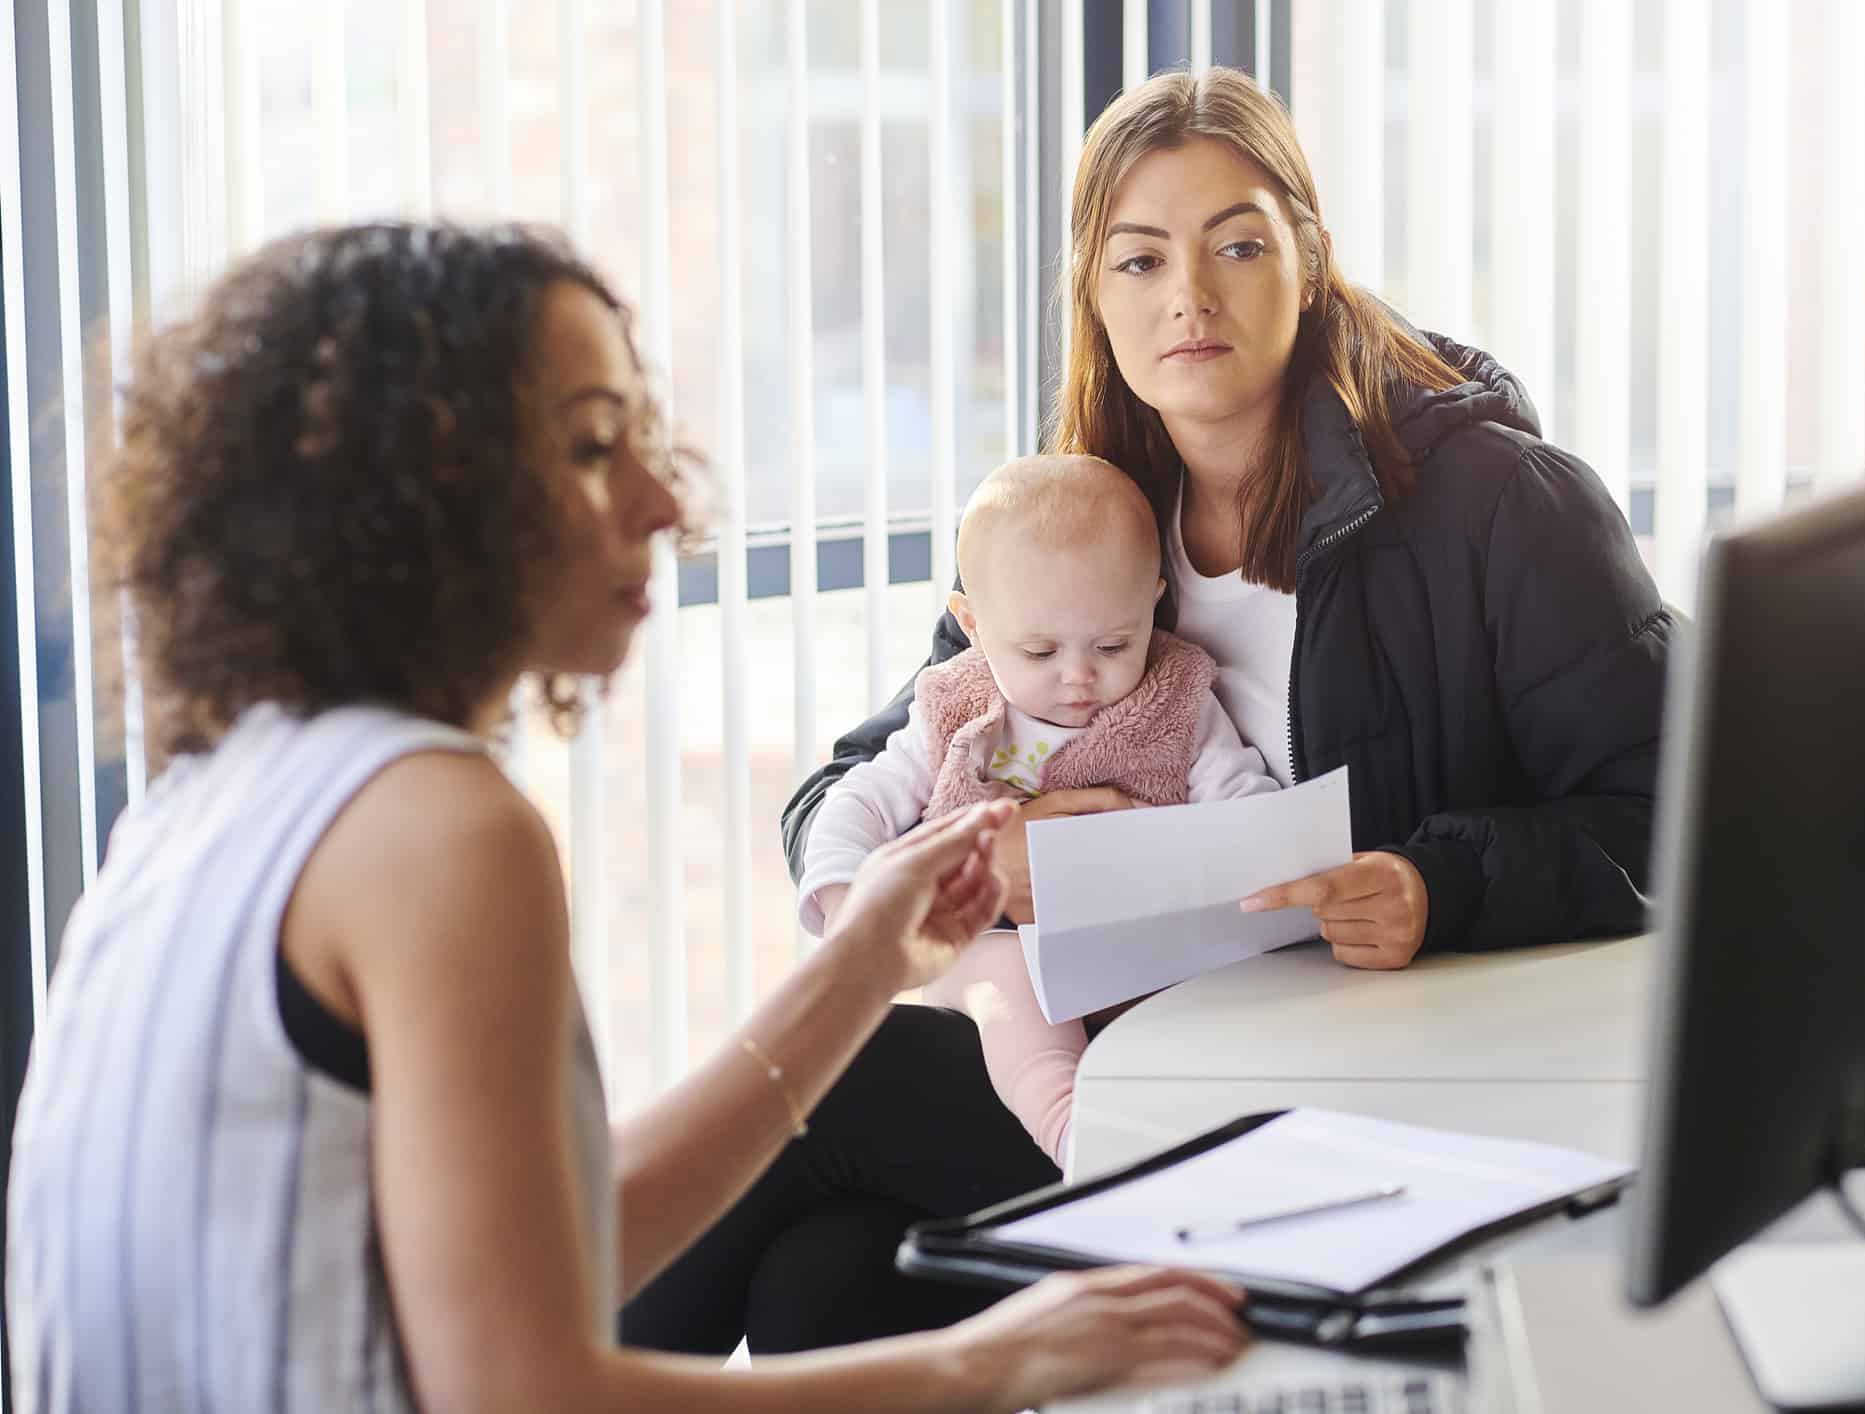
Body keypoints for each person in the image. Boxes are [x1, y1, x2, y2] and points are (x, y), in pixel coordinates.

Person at [4, 223, 1249, 1412]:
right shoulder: (437, 832)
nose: (666, 499)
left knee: (832, 1272)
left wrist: (871, 953)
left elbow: (553, 1246)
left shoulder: (216, 798)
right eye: (596, 448)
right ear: (425, 500)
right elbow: (522, 1390)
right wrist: (991, 1363)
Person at [626, 65, 1671, 1358]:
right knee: (828, 1283)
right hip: (1134, 1061)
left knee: (842, 1090)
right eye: (1138, 259)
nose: (1189, 295)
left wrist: (1434, 881)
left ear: (1311, 257)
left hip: (1356, 1096)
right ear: (1092, 294)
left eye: (1237, 242)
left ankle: (509, 1372)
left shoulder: (1500, 508)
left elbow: (1678, 813)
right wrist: (983, 865)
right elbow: (865, 772)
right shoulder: (1090, 516)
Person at [798, 453, 1278, 1164]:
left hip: (1141, 953)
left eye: (1114, 643)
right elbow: (856, 800)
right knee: (1009, 981)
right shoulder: (956, 707)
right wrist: (847, 904)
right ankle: (1069, 1128)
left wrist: (1250, 867)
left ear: (1152, 599)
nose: (1079, 676)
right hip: (992, 949)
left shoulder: (1177, 700)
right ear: (972, 622)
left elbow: (1243, 809)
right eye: (1039, 649)